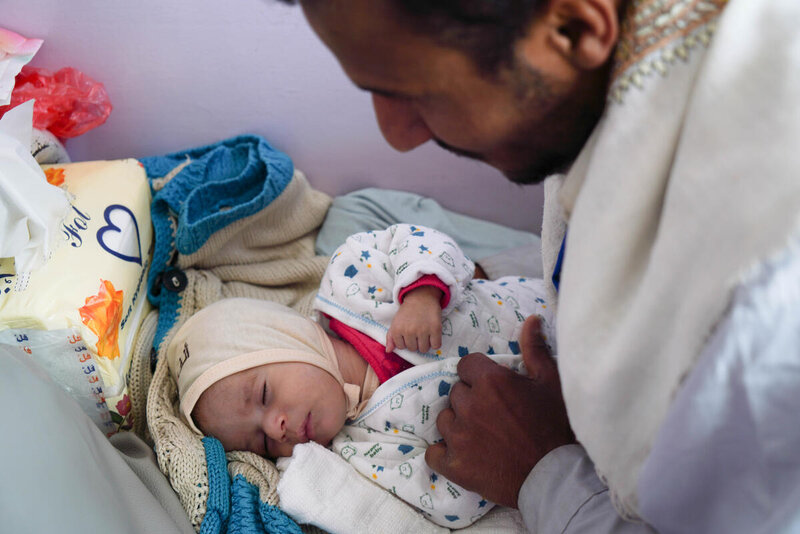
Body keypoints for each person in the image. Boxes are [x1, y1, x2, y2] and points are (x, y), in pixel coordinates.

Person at [277, 0, 800, 532]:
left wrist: (542, 469)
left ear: (575, 27)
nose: (398, 134)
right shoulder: (623, 84)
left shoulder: (760, 309)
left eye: (412, 90)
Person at [165, 223, 557, 528]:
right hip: (567, 412)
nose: (277, 427)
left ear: (288, 337)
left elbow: (421, 240)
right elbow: (445, 502)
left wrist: (421, 293)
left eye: (265, 394)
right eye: (263, 443)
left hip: (553, 307)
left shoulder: (351, 282)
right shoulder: (362, 451)